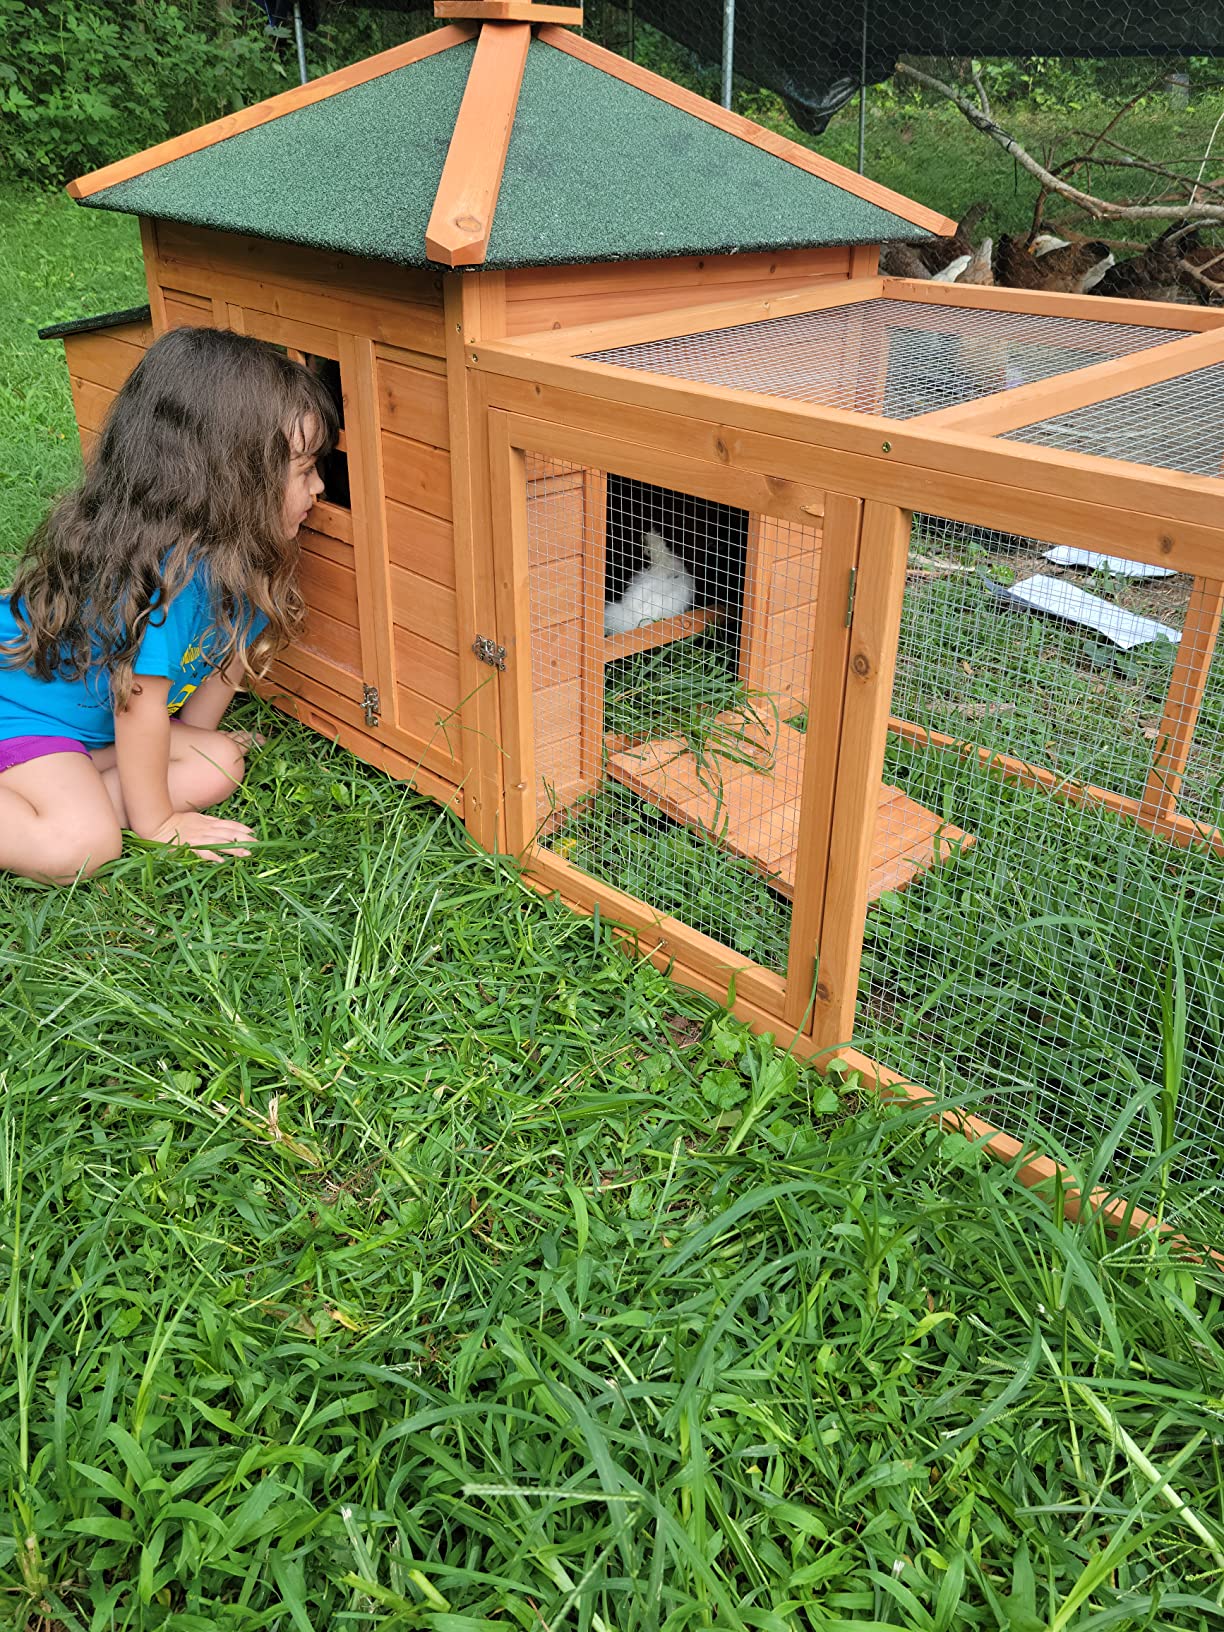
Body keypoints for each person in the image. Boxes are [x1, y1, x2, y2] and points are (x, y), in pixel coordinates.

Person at [0, 325, 335, 883]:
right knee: (83, 846)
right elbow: (138, 701)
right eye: (304, 471)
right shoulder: (172, 576)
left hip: (92, 728)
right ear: (236, 482)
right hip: (23, 713)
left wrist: (197, 742)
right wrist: (159, 822)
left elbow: (218, 667)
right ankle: (57, 804)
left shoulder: (241, 560)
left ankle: (59, 793)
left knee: (220, 763)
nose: (320, 488)